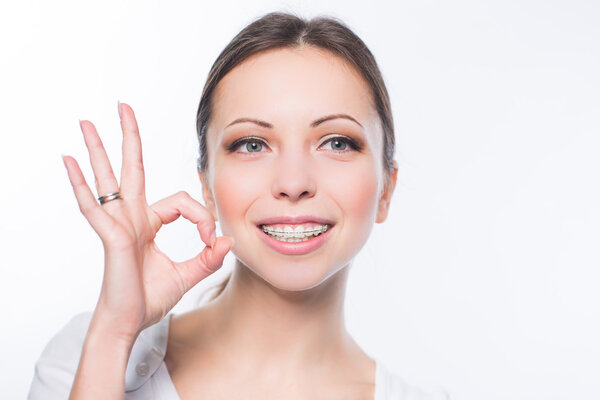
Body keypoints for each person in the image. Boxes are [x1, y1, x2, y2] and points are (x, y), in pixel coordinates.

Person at [29, 11, 449, 399]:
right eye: (252, 144)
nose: (293, 182)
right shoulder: (89, 356)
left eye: (337, 142)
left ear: (386, 189)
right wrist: (114, 332)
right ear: (207, 188)